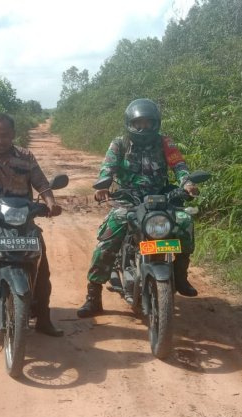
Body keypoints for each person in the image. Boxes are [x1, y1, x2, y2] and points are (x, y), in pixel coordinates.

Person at [77, 98, 200, 319]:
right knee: (110, 235)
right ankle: (93, 296)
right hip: (128, 199)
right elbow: (108, 167)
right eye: (138, 123)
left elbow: (179, 165)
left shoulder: (165, 142)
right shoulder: (120, 143)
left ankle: (180, 275)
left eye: (148, 122)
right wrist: (103, 185)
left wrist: (187, 184)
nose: (143, 127)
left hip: (160, 198)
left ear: (156, 123)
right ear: (130, 124)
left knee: (184, 222)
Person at [0, 113, 64, 336]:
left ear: (13, 135)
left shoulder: (25, 157)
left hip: (22, 221)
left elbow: (41, 183)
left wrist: (51, 203)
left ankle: (43, 318)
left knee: (41, 265)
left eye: (4, 135)